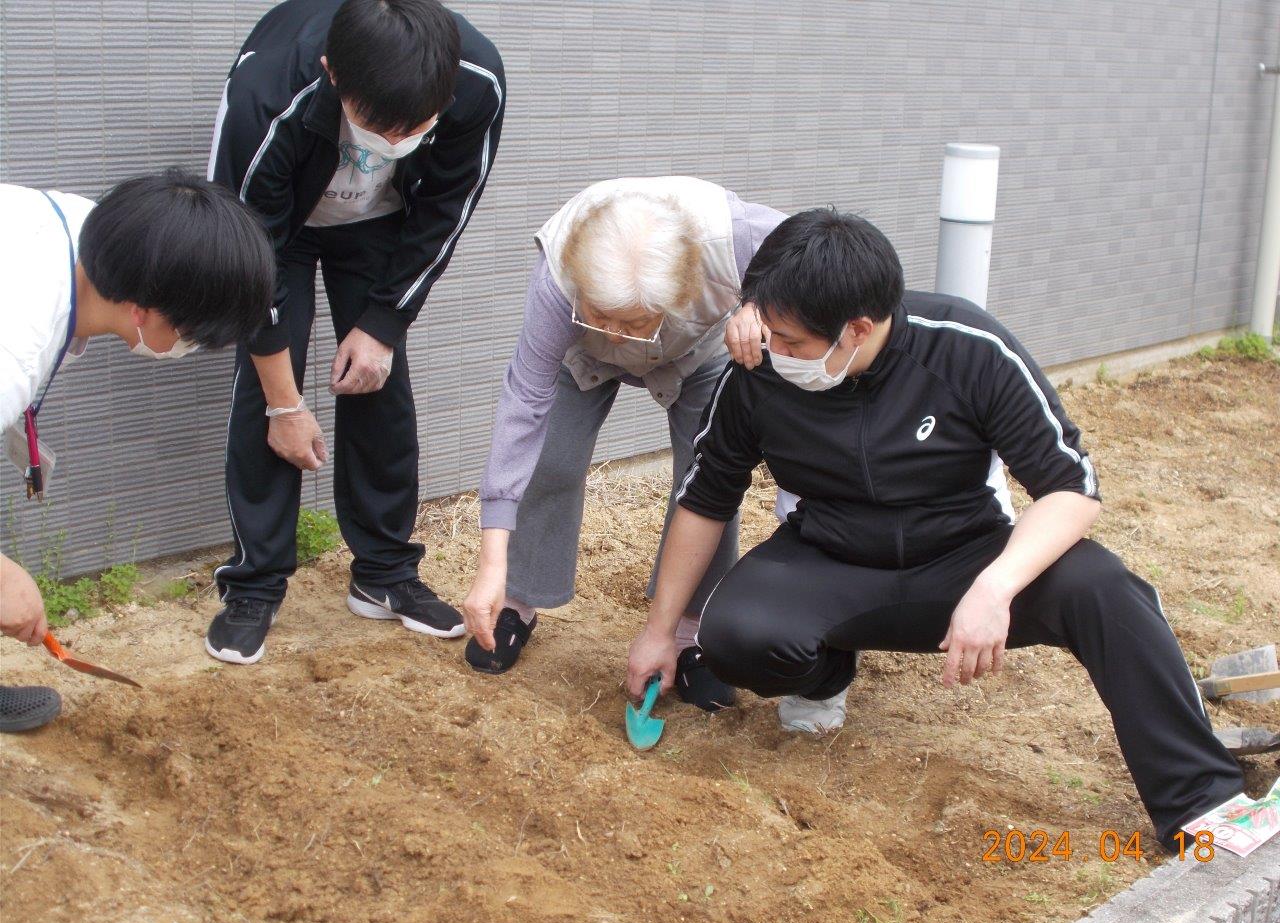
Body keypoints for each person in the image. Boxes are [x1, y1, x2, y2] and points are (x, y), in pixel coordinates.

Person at [626, 208, 1244, 849]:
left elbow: (1070, 489)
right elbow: (705, 499)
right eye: (768, 332)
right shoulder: (759, 369)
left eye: (793, 343)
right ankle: (823, 679)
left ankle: (1203, 799)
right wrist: (659, 630)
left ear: (856, 330)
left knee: (1105, 587)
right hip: (831, 555)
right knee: (737, 634)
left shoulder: (967, 347)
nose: (774, 352)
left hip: (965, 558)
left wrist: (996, 587)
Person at [205, 0, 505, 665]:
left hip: (377, 221)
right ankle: (254, 582)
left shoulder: (475, 80)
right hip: (274, 229)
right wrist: (287, 404)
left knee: (377, 381)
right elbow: (245, 254)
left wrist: (385, 322)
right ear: (332, 73)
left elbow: (446, 211)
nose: (394, 140)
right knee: (264, 391)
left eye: (415, 127)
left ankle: (384, 573)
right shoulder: (267, 95)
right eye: (378, 125)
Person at [460, 177, 785, 707]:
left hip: (698, 351)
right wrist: (489, 564)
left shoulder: (738, 237)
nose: (615, 334)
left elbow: (810, 254)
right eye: (601, 315)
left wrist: (761, 301)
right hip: (576, 357)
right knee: (553, 458)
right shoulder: (559, 280)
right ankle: (517, 597)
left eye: (630, 322)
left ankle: (691, 631)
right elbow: (524, 405)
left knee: (706, 478)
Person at [0, 171, 275, 732]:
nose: (192, 347)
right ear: (143, 312)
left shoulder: (97, 236)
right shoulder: (15, 344)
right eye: (193, 334)